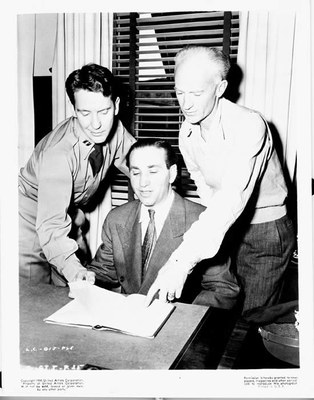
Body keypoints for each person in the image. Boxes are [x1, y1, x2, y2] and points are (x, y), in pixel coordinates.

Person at [146, 45, 296, 313]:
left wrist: (181, 263)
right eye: (179, 92)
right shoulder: (187, 131)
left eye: (196, 93)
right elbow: (203, 183)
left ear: (220, 88)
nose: (186, 103)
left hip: (265, 230)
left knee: (250, 320)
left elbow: (230, 197)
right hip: (226, 224)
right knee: (221, 309)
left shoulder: (250, 125)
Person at [19, 63, 136, 285]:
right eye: (85, 113)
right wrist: (74, 271)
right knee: (39, 294)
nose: (96, 124)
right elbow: (51, 225)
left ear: (116, 106)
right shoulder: (58, 154)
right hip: (30, 212)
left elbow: (139, 165)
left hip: (69, 212)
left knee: (78, 286)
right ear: (75, 111)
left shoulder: (117, 130)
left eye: (104, 111)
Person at [86, 139, 240, 308]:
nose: (143, 183)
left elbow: (224, 292)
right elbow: (102, 273)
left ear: (172, 173)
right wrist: (86, 279)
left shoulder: (204, 221)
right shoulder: (117, 218)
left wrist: (180, 316)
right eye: (136, 173)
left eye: (153, 172)